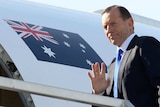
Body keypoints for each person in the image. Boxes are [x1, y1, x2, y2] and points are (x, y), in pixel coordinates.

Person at [88, 5, 160, 107]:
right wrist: (99, 93)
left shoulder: (144, 46)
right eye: (105, 27)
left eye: (113, 24)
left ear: (130, 23)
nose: (109, 30)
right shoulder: (113, 66)